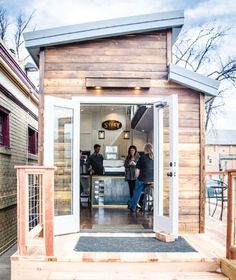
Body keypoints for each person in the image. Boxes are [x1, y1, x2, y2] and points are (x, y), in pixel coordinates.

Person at [128, 143, 154, 212]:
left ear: (145, 149)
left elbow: (137, 172)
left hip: (143, 179)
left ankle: (132, 207)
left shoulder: (142, 158)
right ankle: (152, 206)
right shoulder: (155, 158)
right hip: (152, 181)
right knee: (146, 190)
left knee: (137, 191)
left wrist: (137, 177)